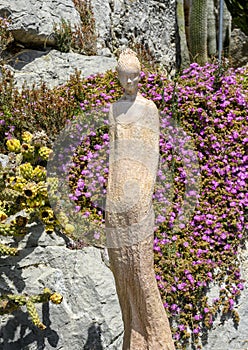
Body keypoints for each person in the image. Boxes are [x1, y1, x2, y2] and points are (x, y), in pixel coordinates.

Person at [105, 49, 175, 350]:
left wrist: (144, 193)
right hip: (117, 192)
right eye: (125, 76)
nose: (130, 81)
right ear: (118, 77)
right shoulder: (113, 109)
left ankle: (157, 340)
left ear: (140, 75)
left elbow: (153, 153)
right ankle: (133, 337)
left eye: (134, 76)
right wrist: (110, 194)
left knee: (141, 268)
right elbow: (112, 154)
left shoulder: (149, 109)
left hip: (139, 192)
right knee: (122, 268)